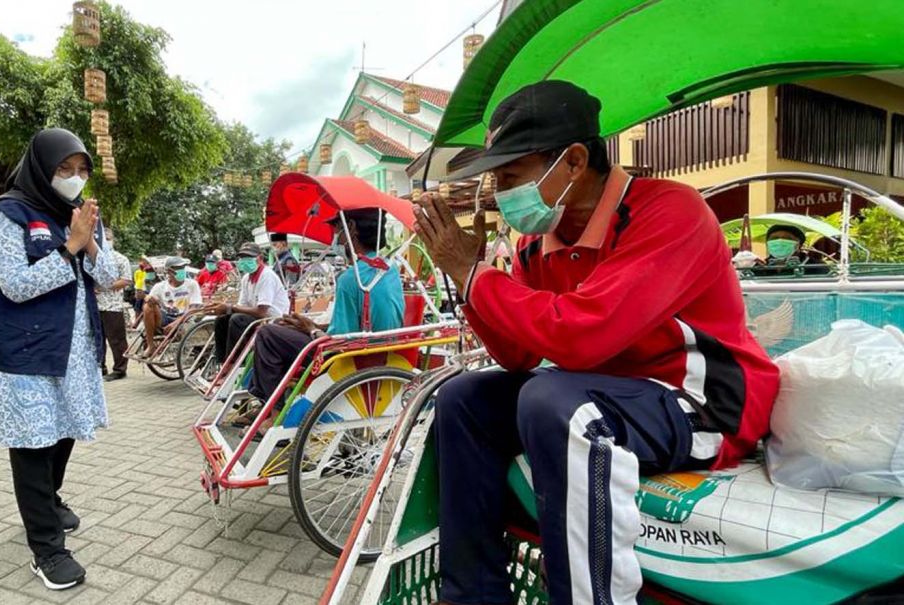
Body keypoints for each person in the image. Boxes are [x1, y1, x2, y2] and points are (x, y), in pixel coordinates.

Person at [412, 82, 779, 605]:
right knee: (463, 398)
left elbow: (580, 337)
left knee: (555, 402)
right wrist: (473, 282)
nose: (498, 189)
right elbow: (517, 354)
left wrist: (474, 276)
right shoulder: (537, 243)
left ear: (574, 161)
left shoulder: (671, 211)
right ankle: (472, 596)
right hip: (609, 396)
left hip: (706, 405)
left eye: (510, 174)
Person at [0, 128, 118, 591]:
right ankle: (47, 548)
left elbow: (114, 277)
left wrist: (90, 241)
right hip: (26, 352)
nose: (75, 179)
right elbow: (15, 285)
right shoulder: (8, 215)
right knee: (33, 445)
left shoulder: (78, 216)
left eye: (82, 171)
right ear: (42, 167)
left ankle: (49, 501)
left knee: (63, 432)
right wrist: (70, 246)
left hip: (74, 351)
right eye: (65, 169)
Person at [244, 209, 404, 431]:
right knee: (282, 332)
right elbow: (357, 323)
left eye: (337, 228)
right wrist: (309, 326)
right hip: (379, 346)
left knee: (268, 334)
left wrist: (310, 329)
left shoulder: (352, 278)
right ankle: (268, 404)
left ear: (351, 228)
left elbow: (338, 341)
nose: (335, 236)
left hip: (351, 355)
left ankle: (275, 411)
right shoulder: (389, 269)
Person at [210, 242, 289, 363]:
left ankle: (237, 363)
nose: (245, 261)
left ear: (260, 259)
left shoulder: (267, 276)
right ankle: (223, 362)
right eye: (242, 258)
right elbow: (242, 305)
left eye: (249, 258)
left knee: (237, 319)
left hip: (272, 318)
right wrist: (227, 309)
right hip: (257, 316)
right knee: (221, 319)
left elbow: (262, 311)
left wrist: (230, 307)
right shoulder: (246, 278)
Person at [142, 257, 202, 354]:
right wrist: (149, 299)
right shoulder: (160, 286)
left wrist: (176, 323)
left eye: (183, 268)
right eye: (178, 268)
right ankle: (150, 345)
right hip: (165, 317)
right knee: (147, 307)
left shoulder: (192, 284)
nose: (181, 271)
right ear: (169, 272)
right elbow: (149, 300)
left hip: (185, 318)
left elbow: (194, 308)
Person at [95, 228, 132, 381]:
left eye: (108, 238)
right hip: (95, 304)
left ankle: (120, 369)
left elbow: (126, 280)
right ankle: (100, 366)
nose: (106, 240)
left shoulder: (120, 259)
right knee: (97, 338)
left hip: (113, 305)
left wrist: (105, 286)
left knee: (116, 339)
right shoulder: (94, 257)